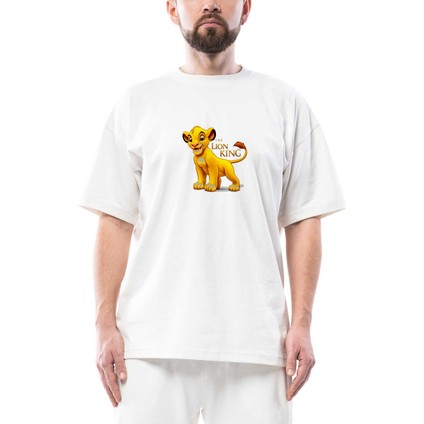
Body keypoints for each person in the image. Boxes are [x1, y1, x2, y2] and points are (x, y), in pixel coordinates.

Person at [78, 1, 346, 423]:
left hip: (258, 346)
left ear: (246, 9)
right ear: (171, 9)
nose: (210, 4)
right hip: (150, 345)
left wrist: (302, 323)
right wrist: (103, 326)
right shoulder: (137, 104)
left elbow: (303, 219)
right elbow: (114, 220)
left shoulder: (285, 104)